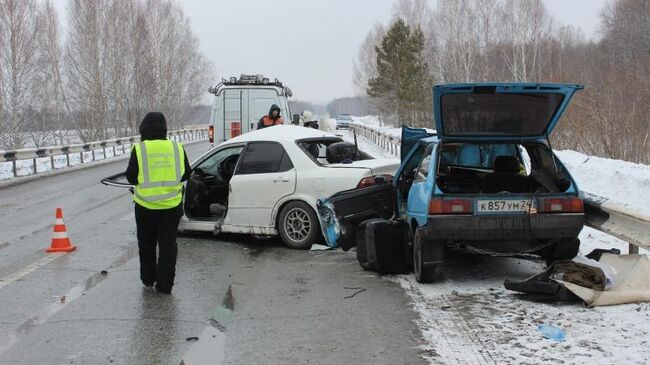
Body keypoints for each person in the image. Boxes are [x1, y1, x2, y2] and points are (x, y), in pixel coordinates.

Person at [125, 112, 191, 294]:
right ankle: (165, 285)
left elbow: (131, 177)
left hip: (145, 207)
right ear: (164, 128)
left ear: (143, 129)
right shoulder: (177, 147)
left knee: (146, 244)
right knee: (168, 246)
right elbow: (186, 173)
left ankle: (148, 278)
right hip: (171, 207)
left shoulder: (140, 149)